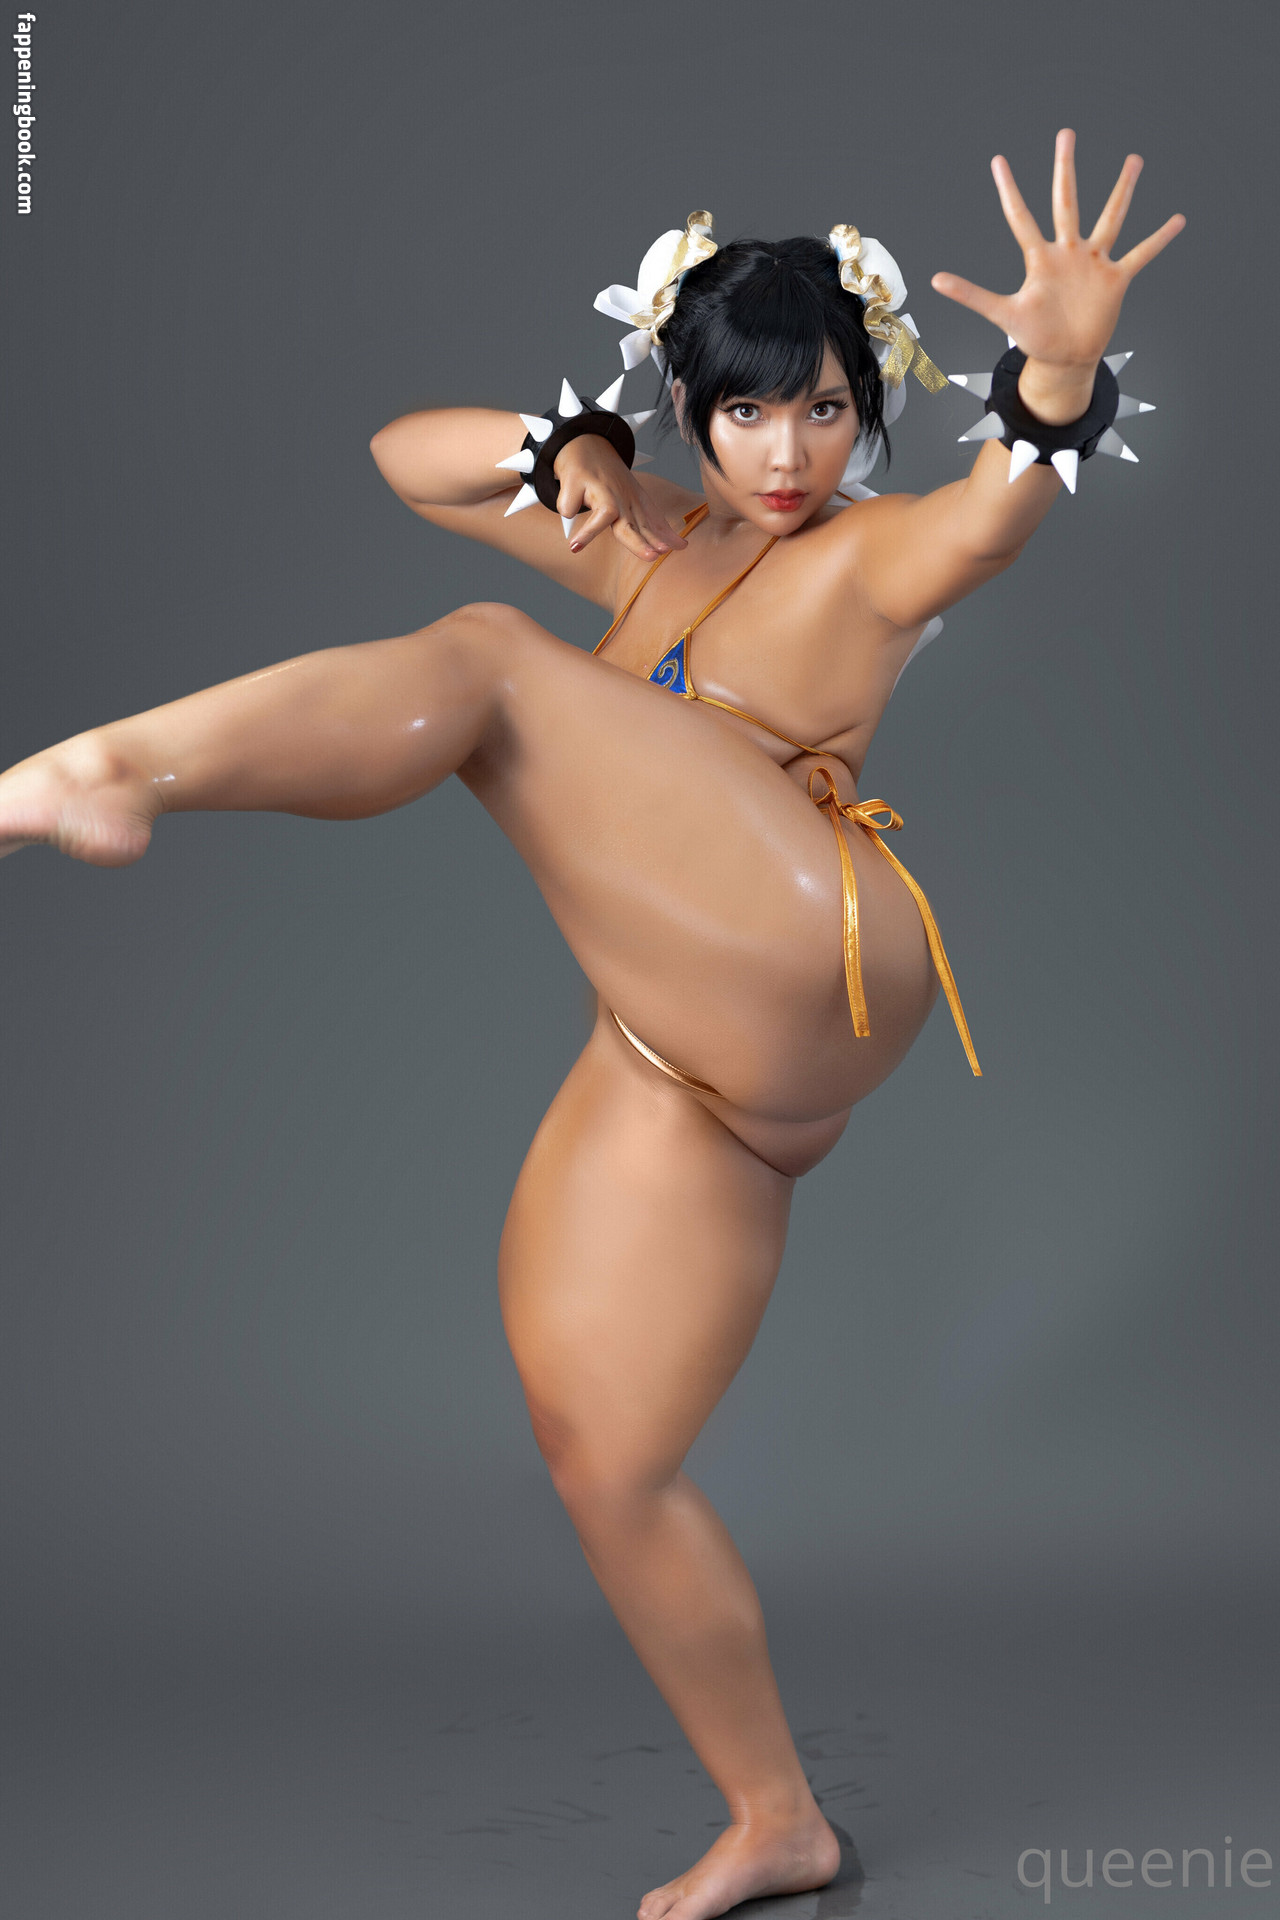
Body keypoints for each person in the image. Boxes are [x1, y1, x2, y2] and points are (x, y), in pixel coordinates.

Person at [0, 132, 1182, 1920]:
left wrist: (1062, 373)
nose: (786, 453)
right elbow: (404, 458)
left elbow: (996, 513)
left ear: (866, 414)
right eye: (747, 412)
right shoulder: (651, 549)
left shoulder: (873, 561)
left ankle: (107, 772)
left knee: (485, 661)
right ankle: (778, 1819)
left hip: (822, 945)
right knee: (604, 1457)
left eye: (826, 410)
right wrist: (568, 451)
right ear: (690, 413)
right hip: (692, 1061)